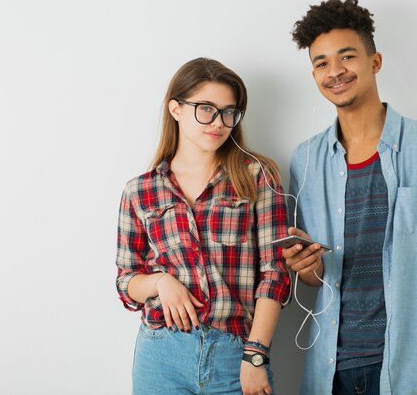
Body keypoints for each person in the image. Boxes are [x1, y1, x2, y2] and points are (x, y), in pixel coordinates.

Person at [282, 0, 417, 395]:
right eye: (320, 63)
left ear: (375, 62)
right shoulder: (305, 159)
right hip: (328, 373)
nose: (334, 71)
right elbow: (316, 277)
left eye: (346, 57)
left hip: (407, 369)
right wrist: (305, 269)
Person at [116, 58, 290, 395]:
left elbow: (275, 273)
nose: (219, 122)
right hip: (160, 355)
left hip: (234, 354)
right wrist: (160, 282)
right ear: (176, 109)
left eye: (229, 112)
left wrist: (255, 356)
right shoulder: (139, 190)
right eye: (206, 109)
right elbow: (126, 281)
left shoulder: (257, 175)